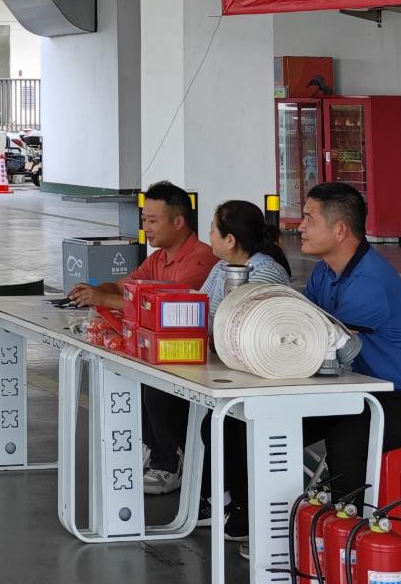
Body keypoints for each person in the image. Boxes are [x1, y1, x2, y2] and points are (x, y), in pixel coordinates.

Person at [294, 181, 401, 502]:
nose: (300, 227)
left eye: (309, 219)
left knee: (345, 438)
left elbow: (316, 344)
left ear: (339, 230)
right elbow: (303, 325)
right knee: (272, 421)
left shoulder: (369, 281)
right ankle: (240, 513)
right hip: (360, 391)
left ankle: (349, 526)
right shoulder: (324, 272)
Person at [67, 183, 213, 493]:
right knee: (129, 367)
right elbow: (125, 286)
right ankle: (151, 447)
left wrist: (104, 299)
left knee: (153, 385)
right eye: (144, 219)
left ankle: (168, 462)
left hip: (193, 354)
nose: (146, 226)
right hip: (163, 349)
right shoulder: (158, 259)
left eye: (153, 220)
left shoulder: (199, 261)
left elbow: (165, 309)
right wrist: (97, 290)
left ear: (178, 221)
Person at [203, 198, 290, 305]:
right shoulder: (221, 266)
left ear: (230, 240)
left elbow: (240, 313)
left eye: (212, 230)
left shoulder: (265, 274)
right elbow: (201, 302)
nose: (210, 235)